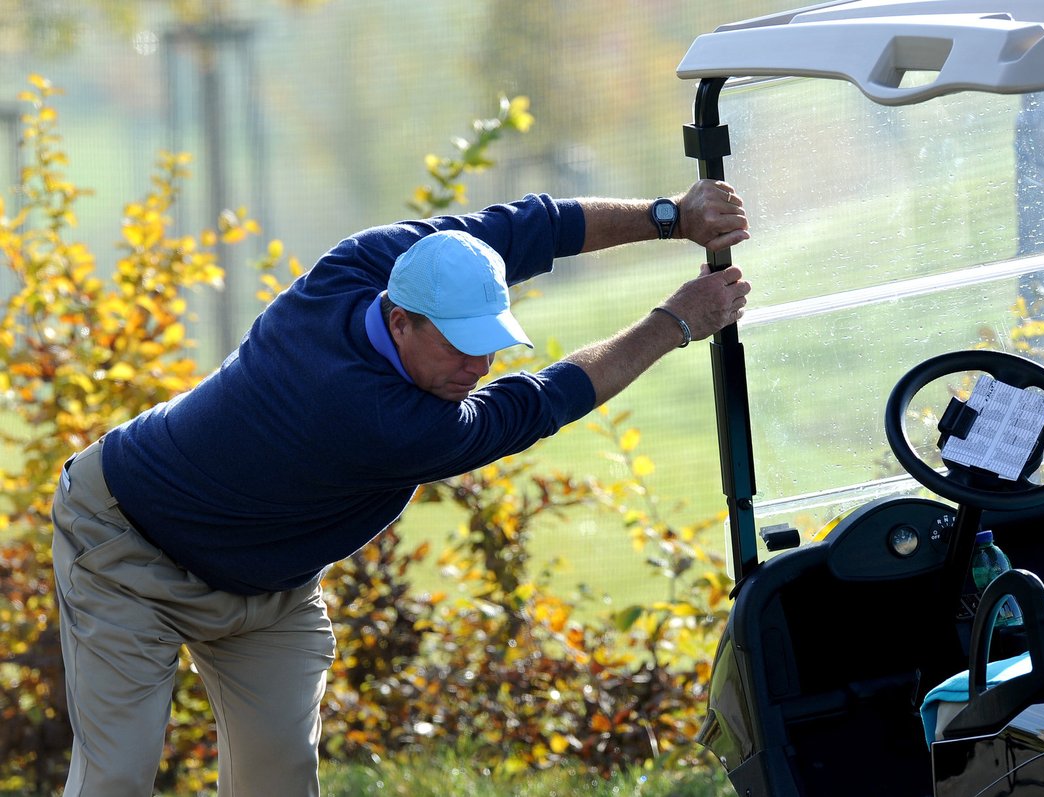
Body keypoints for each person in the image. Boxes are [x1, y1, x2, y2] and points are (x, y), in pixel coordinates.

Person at [51, 179, 751, 796]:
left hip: (266, 586)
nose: (477, 365)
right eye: (456, 344)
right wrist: (678, 320)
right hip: (127, 545)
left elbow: (536, 225)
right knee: (117, 777)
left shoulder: (373, 262)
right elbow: (548, 398)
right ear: (399, 320)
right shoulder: (391, 422)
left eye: (488, 342)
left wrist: (672, 215)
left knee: (281, 780)